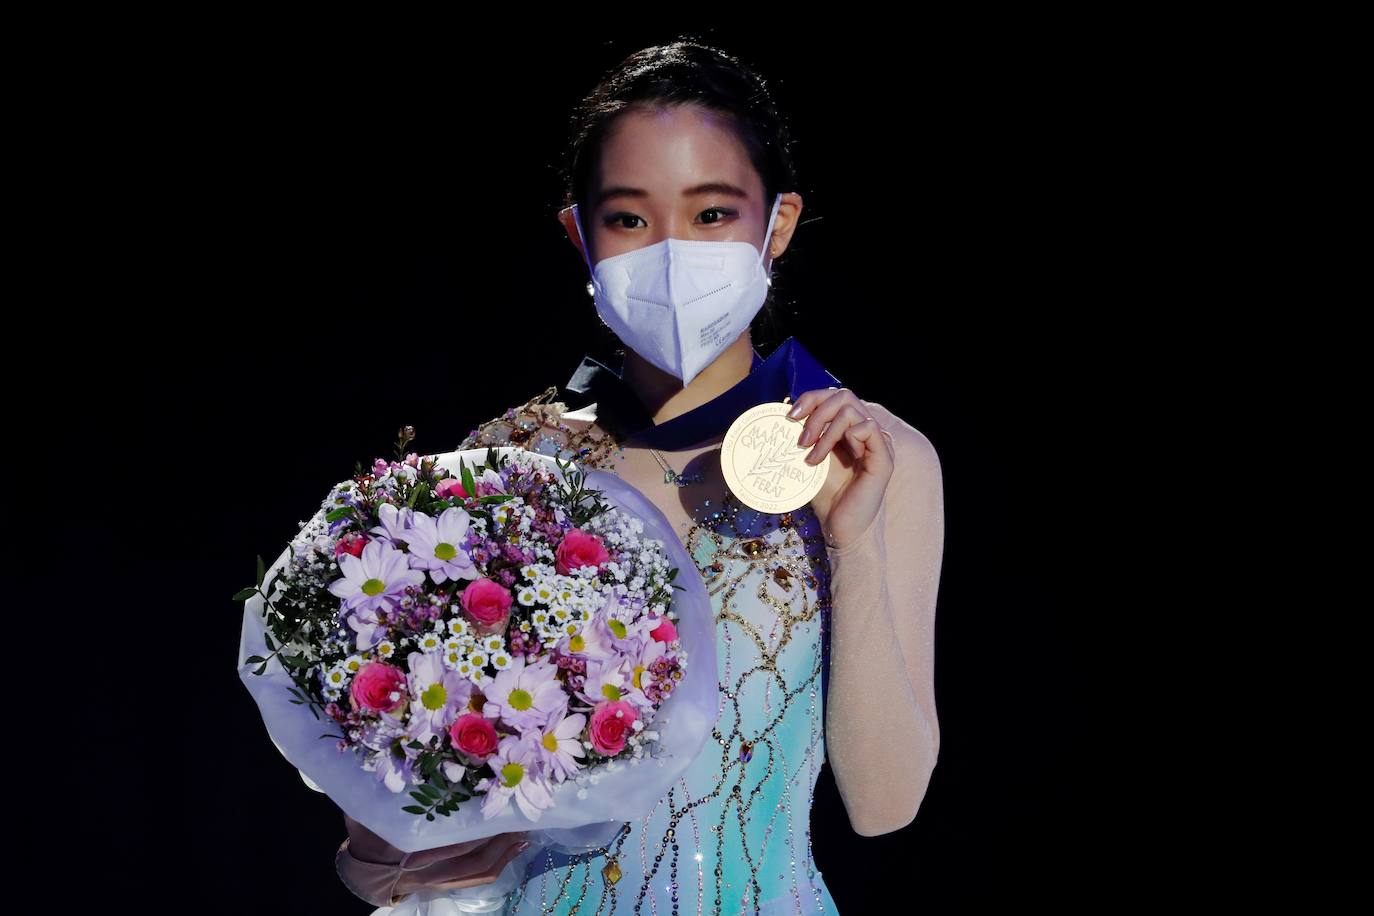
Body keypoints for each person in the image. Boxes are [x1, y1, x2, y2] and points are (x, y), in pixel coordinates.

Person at [334, 37, 944, 914]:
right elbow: (421, 788)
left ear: (777, 223)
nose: (670, 251)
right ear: (579, 234)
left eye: (710, 215)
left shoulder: (870, 458)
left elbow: (887, 806)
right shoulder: (511, 463)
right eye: (629, 218)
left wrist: (851, 540)